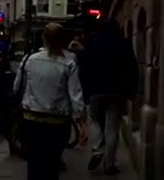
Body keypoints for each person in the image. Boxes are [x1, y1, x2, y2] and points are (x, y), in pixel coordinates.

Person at [13, 23, 87, 180]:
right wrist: (81, 124)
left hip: (31, 121)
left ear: (43, 38)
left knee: (33, 164)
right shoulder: (68, 63)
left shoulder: (29, 60)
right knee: (52, 165)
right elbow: (76, 96)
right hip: (58, 123)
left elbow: (17, 87)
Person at [85, 19, 138, 175]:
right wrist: (132, 90)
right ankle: (109, 164)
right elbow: (132, 68)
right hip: (117, 90)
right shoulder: (125, 44)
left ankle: (97, 149)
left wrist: (86, 91)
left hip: (96, 89)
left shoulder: (94, 43)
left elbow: (86, 68)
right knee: (113, 126)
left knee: (94, 120)